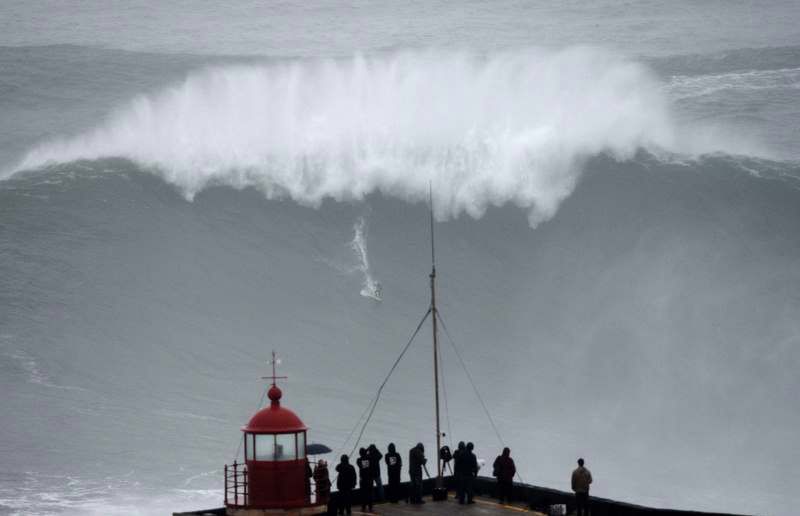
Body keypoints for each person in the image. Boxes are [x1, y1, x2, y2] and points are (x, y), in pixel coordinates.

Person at [357, 448, 374, 512]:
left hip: (363, 480)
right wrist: (366, 452)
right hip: (370, 479)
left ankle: (363, 507)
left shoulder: (359, 460)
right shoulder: (370, 459)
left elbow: (361, 463)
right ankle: (370, 507)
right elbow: (369, 457)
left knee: (363, 494)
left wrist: (365, 452)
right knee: (370, 493)